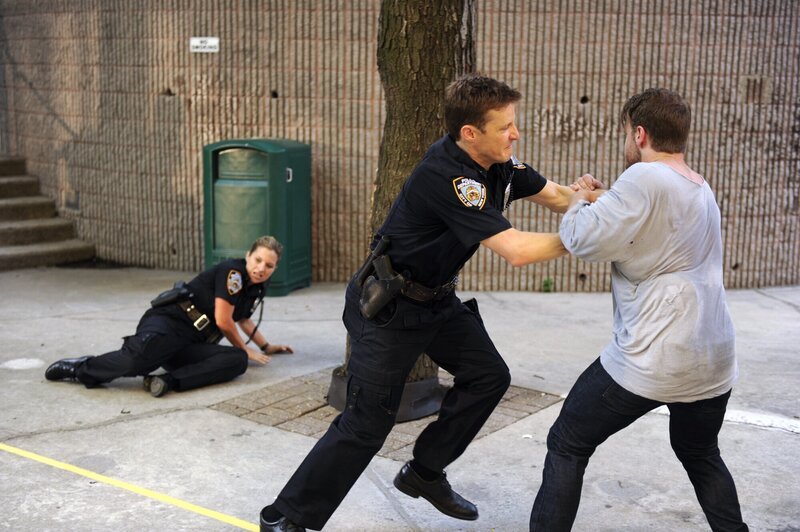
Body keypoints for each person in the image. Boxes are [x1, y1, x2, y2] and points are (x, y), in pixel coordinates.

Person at [259, 74, 601, 532]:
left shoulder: (498, 164)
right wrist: (588, 235)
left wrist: (615, 203)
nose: (515, 134)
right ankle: (284, 517)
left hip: (436, 302)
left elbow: (560, 196)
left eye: (513, 124)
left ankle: (424, 472)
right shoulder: (448, 177)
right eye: (505, 127)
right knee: (366, 425)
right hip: (389, 309)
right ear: (470, 133)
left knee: (487, 376)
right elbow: (517, 251)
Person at [529, 89, 748, 531]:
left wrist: (578, 199)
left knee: (567, 442)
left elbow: (582, 239)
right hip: (713, 357)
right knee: (701, 453)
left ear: (640, 134)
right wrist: (603, 197)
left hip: (654, 357)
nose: (626, 141)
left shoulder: (644, 177)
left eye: (627, 132)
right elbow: (646, 220)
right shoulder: (698, 186)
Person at [44, 235, 293, 397]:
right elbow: (223, 320)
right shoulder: (233, 273)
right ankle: (80, 368)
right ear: (248, 255)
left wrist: (265, 346)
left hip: (191, 342)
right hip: (171, 321)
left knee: (236, 361)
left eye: (269, 265)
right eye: (258, 260)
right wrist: (246, 348)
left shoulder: (256, 286)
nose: (261, 268)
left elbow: (243, 319)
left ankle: (166, 381)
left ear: (275, 268)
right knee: (136, 361)